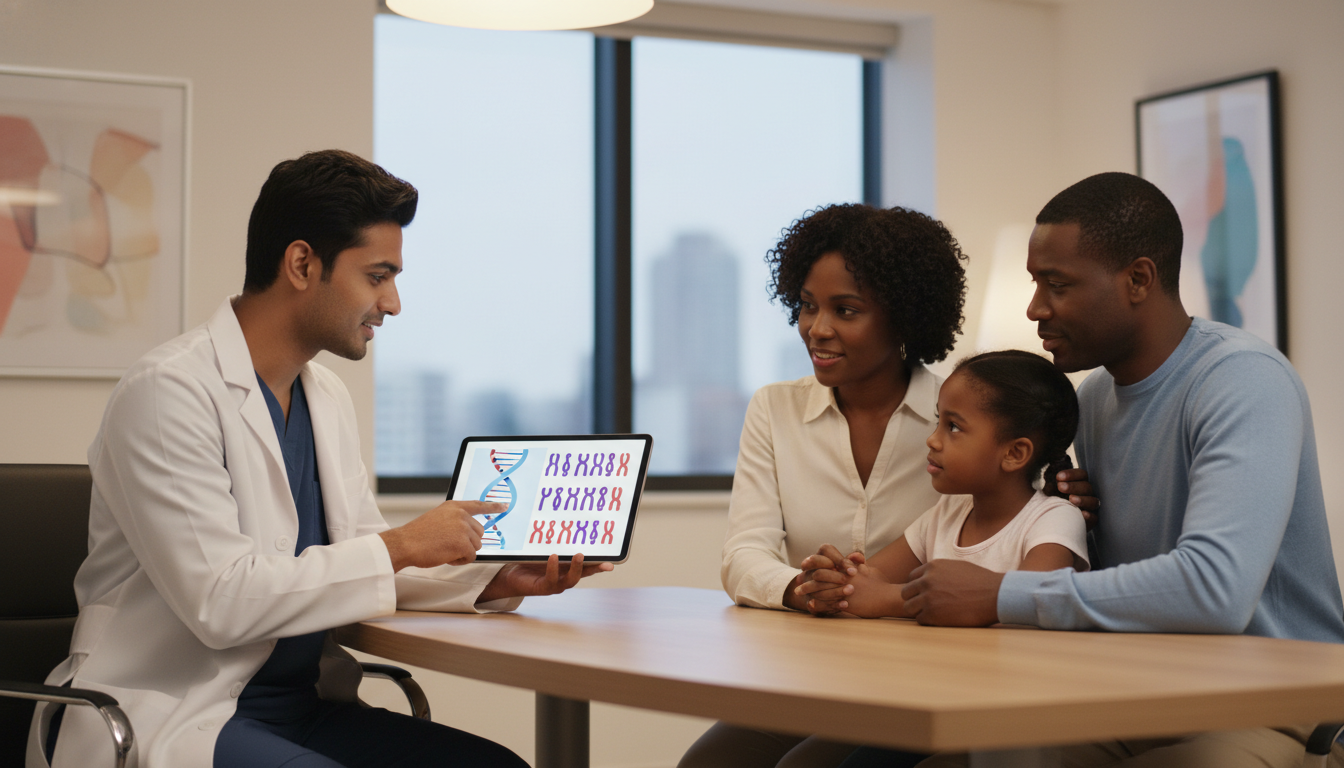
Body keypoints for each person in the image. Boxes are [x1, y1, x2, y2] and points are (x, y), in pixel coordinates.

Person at [29, 149, 611, 768]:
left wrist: (486, 579)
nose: (392, 303)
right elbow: (222, 604)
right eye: (377, 275)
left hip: (307, 708)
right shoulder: (168, 392)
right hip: (175, 708)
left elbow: (353, 555)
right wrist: (403, 545)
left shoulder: (323, 396)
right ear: (303, 263)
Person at [892, 172, 1344, 768]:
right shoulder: (1096, 398)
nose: (1035, 309)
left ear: (1138, 280)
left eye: (1057, 285)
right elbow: (1123, 583)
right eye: (1035, 284)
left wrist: (1002, 593)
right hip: (1137, 684)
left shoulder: (1244, 382)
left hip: (1265, 697)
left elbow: (1214, 592)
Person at [678, 204, 969, 768]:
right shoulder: (774, 409)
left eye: (847, 310)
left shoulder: (957, 419)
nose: (818, 328)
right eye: (807, 306)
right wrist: (801, 589)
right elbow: (743, 553)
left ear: (905, 317)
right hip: (806, 673)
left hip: (924, 675)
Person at [796, 350, 1088, 619]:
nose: (932, 439)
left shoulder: (1054, 519)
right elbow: (870, 579)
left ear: (1014, 454)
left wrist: (890, 599)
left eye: (954, 427)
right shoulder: (947, 513)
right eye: (939, 421)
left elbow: (1035, 602)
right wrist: (833, 579)